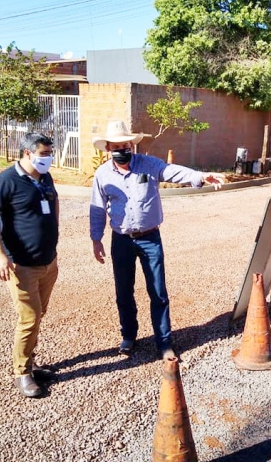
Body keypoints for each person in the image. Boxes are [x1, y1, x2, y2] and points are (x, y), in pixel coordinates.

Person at [90, 120, 226, 361]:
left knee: (158, 292)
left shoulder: (149, 165)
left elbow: (174, 172)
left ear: (132, 144)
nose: (122, 149)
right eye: (117, 145)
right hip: (121, 240)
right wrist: (96, 239)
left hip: (149, 239)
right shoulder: (102, 175)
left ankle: (164, 342)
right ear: (108, 147)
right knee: (123, 292)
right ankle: (129, 336)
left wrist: (202, 176)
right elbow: (98, 208)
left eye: (126, 144)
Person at [0, 132, 59, 398]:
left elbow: (54, 201)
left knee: (38, 315)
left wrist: (53, 234)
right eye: (44, 154)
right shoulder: (4, 181)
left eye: (50, 153)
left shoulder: (45, 177)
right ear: (27, 153)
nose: (48, 158)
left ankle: (30, 361)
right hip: (21, 265)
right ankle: (22, 373)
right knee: (28, 318)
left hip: (48, 261)